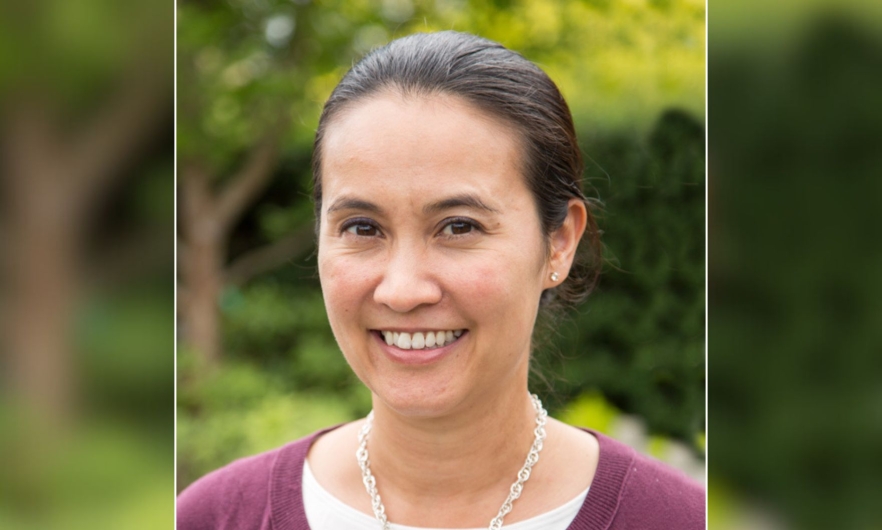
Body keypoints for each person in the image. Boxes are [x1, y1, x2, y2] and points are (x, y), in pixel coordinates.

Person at [177, 31, 704, 530]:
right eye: (362, 227)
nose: (402, 291)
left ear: (559, 242)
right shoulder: (213, 517)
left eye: (459, 227)